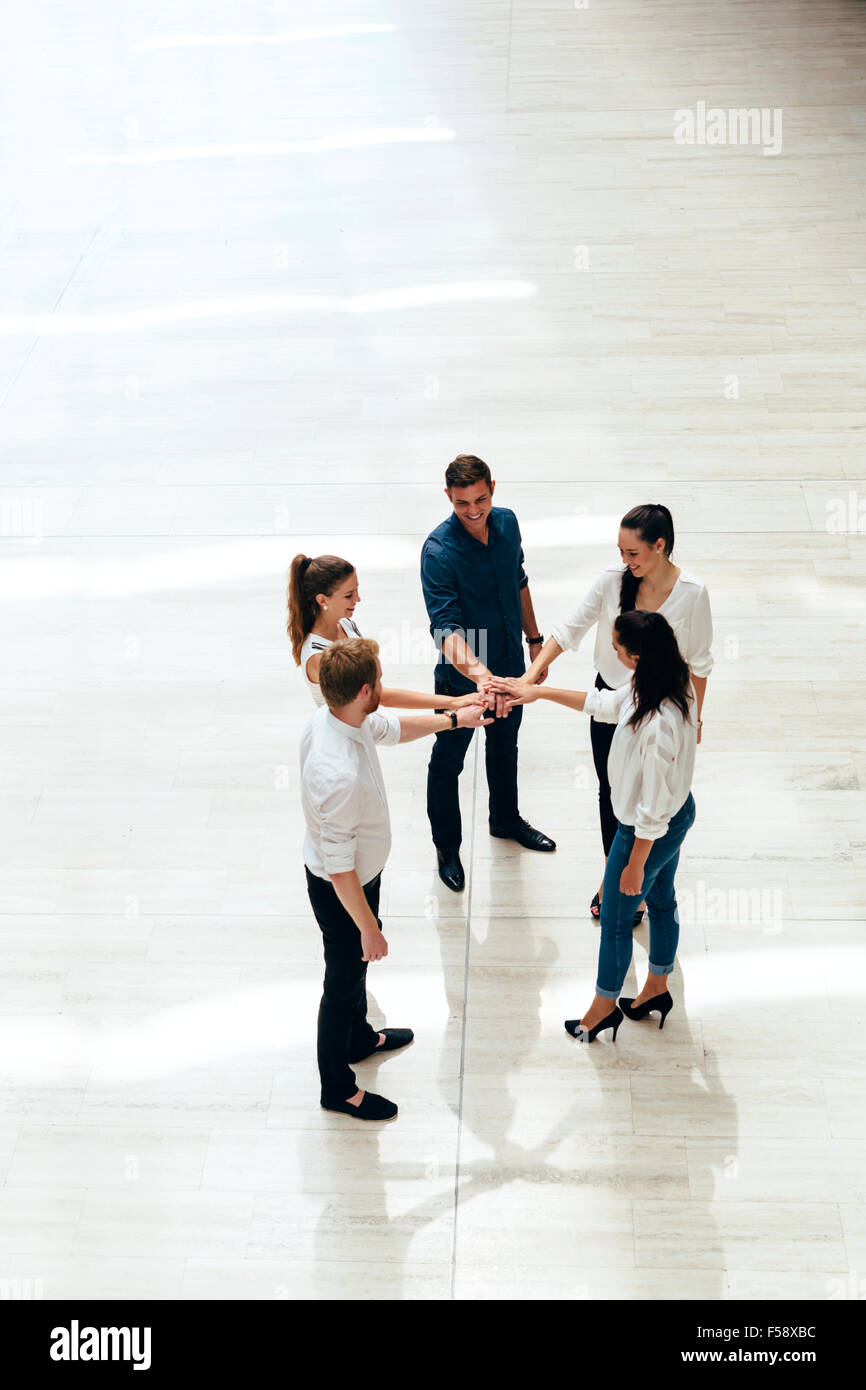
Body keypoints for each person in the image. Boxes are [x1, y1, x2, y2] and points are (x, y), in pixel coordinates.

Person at [300, 636, 491, 1120]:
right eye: (380, 681)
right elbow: (339, 869)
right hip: (343, 889)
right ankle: (337, 1088)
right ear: (365, 690)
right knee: (342, 982)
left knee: (355, 979)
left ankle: (360, 1039)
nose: (385, 687)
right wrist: (368, 927)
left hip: (361, 874)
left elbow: (394, 728)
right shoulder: (335, 772)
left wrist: (455, 716)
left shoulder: (341, 716)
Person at [489, 609, 697, 1043]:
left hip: (646, 829)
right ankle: (657, 987)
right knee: (661, 901)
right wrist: (536, 693)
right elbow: (603, 704)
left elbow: (653, 810)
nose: (613, 652)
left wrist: (636, 863)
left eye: (618, 648)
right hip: (675, 815)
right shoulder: (664, 680)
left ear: (637, 657)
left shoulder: (658, 725)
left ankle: (602, 1009)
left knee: (617, 920)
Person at [522, 504, 711, 924]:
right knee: (614, 793)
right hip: (612, 700)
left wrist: (694, 722)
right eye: (621, 552)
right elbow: (570, 629)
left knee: (656, 797)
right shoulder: (613, 581)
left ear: (659, 547)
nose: (625, 562)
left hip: (663, 706)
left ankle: (644, 879)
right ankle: (614, 874)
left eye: (633, 553)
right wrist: (530, 678)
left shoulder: (693, 593)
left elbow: (699, 664)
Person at [420, 454, 555, 893]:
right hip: (462, 682)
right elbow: (446, 629)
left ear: (492, 488)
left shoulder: (508, 522)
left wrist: (534, 641)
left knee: (505, 746)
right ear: (448, 497)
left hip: (512, 667)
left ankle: (505, 820)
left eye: (480, 499)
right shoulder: (438, 551)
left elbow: (518, 580)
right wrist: (481, 677)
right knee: (448, 764)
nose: (473, 511)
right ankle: (447, 848)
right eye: (462, 504)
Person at [287, 552, 482, 713]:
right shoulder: (319, 657)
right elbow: (379, 696)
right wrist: (454, 702)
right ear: (322, 600)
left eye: (356, 590)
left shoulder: (346, 624)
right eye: (349, 595)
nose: (358, 599)